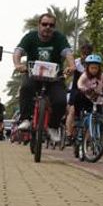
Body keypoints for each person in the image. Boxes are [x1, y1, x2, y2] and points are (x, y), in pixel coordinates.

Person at [13, 12, 75, 141]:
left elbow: (67, 52)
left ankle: (52, 127)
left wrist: (72, 65)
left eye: (51, 25)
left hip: (54, 78)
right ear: (39, 25)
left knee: (60, 101)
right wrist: (18, 64)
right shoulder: (30, 37)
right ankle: (25, 119)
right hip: (33, 75)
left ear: (54, 27)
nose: (48, 27)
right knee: (25, 88)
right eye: (44, 24)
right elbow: (18, 51)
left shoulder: (59, 38)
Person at [74, 54, 103, 159]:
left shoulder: (102, 76)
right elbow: (79, 83)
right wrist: (82, 88)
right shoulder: (85, 75)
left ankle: (99, 139)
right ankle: (78, 121)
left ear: (99, 68)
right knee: (77, 98)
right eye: (92, 67)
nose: (94, 70)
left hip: (97, 100)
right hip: (85, 98)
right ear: (87, 68)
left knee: (101, 119)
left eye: (96, 68)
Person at [65, 41, 94, 138]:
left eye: (88, 54)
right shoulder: (76, 63)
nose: (85, 56)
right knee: (72, 110)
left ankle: (88, 139)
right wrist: (66, 73)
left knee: (93, 113)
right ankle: (69, 133)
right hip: (76, 90)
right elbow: (68, 73)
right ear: (81, 53)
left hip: (90, 91)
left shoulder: (94, 65)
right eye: (84, 54)